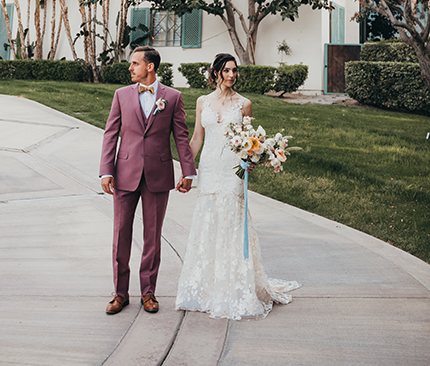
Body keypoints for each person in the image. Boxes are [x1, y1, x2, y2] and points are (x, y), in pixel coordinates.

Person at [175, 53, 300, 320]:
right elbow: (197, 137)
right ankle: (207, 288)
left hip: (232, 172)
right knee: (209, 221)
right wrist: (187, 170)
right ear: (216, 72)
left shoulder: (244, 104)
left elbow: (249, 141)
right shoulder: (202, 102)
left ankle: (233, 288)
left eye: (234, 71)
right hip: (209, 169)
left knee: (232, 221)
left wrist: (252, 159)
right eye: (227, 70)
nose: (231, 75)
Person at [100, 46, 196, 315]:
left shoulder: (173, 98)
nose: (130, 68)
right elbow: (110, 134)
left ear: (150, 67)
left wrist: (188, 172)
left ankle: (148, 292)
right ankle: (120, 294)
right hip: (124, 174)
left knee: (152, 236)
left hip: (158, 175)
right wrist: (106, 170)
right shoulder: (121, 95)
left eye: (134, 63)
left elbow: (181, 137)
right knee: (121, 235)